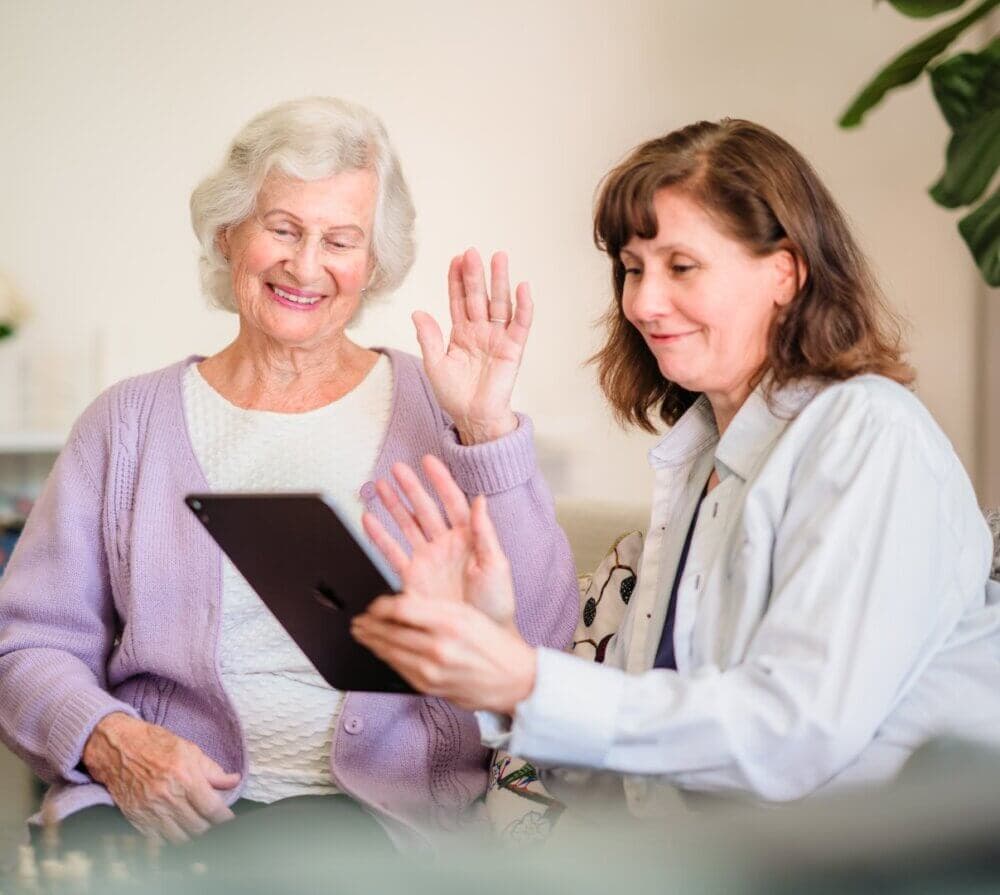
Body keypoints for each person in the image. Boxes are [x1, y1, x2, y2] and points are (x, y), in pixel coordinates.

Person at [351, 119, 1000, 818]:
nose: (643, 303)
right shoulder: (701, 463)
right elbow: (634, 764)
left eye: (680, 266)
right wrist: (496, 652)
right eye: (632, 268)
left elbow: (792, 736)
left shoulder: (868, 433)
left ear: (785, 271)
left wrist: (527, 681)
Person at [0, 96, 578, 851]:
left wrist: (488, 431)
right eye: (282, 229)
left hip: (372, 823)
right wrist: (112, 739)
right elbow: (26, 645)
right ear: (228, 232)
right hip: (146, 807)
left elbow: (542, 644)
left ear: (373, 264)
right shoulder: (127, 423)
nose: (306, 266)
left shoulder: (441, 414)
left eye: (340, 239)